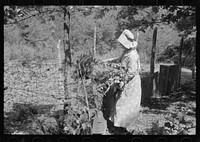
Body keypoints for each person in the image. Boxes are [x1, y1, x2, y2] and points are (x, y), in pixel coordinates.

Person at [102, 29, 142, 133]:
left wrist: (122, 80)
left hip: (131, 82)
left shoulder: (132, 54)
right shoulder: (126, 51)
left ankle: (123, 127)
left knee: (125, 103)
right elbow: (119, 59)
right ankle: (119, 125)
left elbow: (131, 72)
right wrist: (108, 61)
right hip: (126, 79)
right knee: (121, 102)